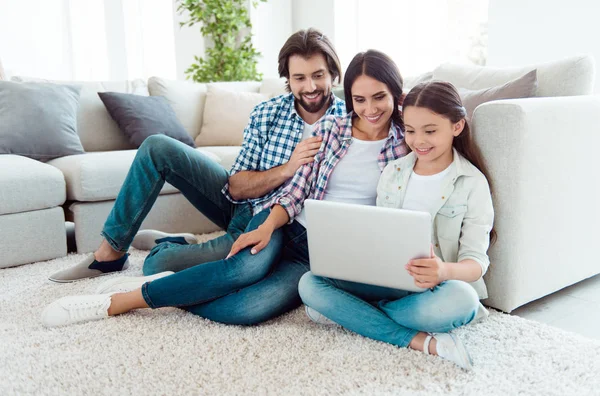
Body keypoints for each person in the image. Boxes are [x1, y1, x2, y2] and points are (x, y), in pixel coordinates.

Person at [41, 50, 407, 328]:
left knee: (243, 309)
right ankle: (120, 299)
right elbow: (282, 190)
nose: (369, 108)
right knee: (239, 271)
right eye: (361, 99)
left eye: (379, 97)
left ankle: (175, 263)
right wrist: (268, 221)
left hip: (319, 253)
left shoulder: (405, 141)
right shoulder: (327, 128)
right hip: (276, 218)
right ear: (288, 79)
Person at [47, 27, 345, 284]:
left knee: (156, 266)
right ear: (288, 79)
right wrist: (288, 168)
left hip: (271, 225)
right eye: (299, 78)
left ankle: (169, 245)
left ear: (333, 73)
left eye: (318, 75)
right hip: (239, 204)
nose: (310, 87)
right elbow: (236, 186)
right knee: (156, 147)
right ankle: (109, 253)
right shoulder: (267, 113)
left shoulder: (349, 122)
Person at [297, 81, 496, 370]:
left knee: (463, 300)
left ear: (456, 126)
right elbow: (378, 234)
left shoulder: (472, 184)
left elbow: (476, 263)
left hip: (435, 289)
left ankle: (349, 313)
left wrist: (443, 271)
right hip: (386, 281)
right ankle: (421, 341)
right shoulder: (393, 171)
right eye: (411, 130)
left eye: (430, 131)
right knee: (309, 283)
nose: (419, 141)